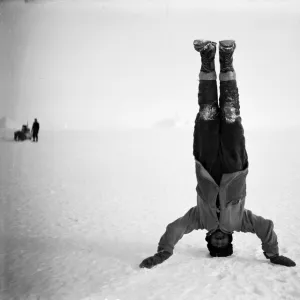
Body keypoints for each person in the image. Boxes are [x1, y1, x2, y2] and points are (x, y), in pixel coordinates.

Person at [139, 40, 296, 269]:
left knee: (207, 111)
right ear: (230, 240)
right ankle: (226, 61)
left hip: (207, 163)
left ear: (209, 241)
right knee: (231, 112)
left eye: (216, 245)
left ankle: (206, 59)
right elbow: (266, 227)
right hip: (234, 165)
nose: (220, 241)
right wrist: (272, 254)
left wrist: (164, 251)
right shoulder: (241, 222)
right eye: (224, 244)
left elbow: (175, 228)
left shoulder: (200, 219)